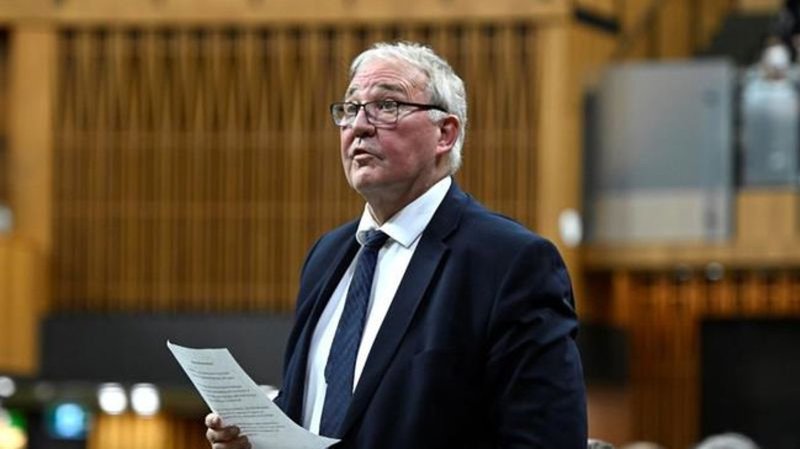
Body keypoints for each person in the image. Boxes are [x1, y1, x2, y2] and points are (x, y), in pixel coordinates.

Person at [205, 41, 587, 449]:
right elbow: (320, 417)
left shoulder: (509, 261)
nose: (359, 125)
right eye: (350, 108)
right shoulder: (326, 256)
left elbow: (546, 439)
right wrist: (260, 436)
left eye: (387, 106)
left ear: (445, 133)